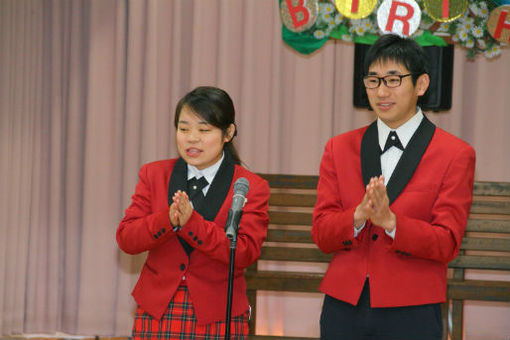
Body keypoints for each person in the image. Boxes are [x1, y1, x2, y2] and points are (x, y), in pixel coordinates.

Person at [312, 34, 476, 340]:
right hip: (344, 303)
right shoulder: (339, 148)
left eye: (393, 79)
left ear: (422, 84)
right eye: (373, 80)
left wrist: (392, 223)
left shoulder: (454, 153)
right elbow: (321, 234)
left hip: (412, 307)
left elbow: (447, 242)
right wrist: (357, 216)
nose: (381, 91)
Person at [117, 86, 269, 339]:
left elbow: (244, 253)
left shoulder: (249, 185)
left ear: (228, 133)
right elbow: (127, 239)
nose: (191, 138)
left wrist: (192, 224)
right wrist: (168, 219)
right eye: (184, 128)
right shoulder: (154, 174)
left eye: (204, 130)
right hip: (158, 308)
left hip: (218, 312)